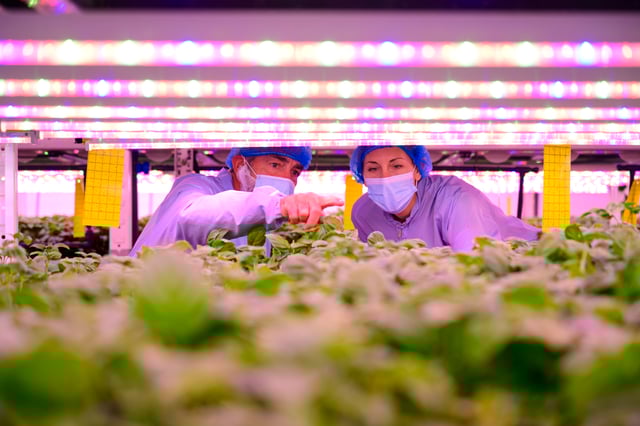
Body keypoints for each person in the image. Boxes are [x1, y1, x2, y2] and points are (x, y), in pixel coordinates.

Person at [130, 146, 343, 256]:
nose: (286, 178)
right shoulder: (195, 186)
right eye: (275, 165)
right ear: (240, 165)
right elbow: (193, 217)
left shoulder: (266, 218)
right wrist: (276, 205)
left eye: (294, 171)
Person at [349, 145, 540, 252]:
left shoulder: (457, 200)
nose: (385, 177)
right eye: (373, 169)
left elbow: (475, 262)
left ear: (416, 171)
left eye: (397, 166)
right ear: (362, 176)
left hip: (530, 261)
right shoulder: (364, 213)